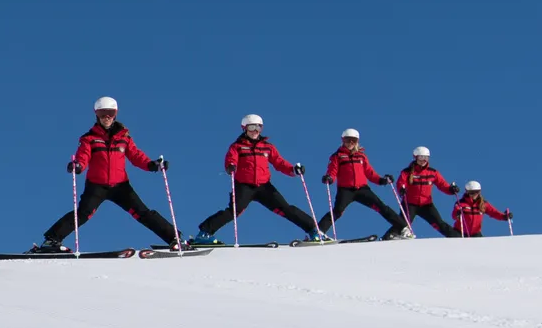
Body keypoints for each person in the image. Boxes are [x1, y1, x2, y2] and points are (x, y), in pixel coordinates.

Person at [29, 96, 181, 253]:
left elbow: (136, 156)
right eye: (102, 114)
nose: (106, 117)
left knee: (142, 213)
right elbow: (83, 156)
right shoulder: (89, 138)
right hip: (96, 186)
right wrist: (78, 166)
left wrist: (152, 165)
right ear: (97, 115)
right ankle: (51, 240)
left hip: (121, 186)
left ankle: (174, 238)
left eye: (109, 113)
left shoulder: (124, 138)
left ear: (115, 114)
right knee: (82, 214)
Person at [191, 114, 320, 243]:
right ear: (245, 128)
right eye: (252, 127)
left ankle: (314, 230)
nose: (255, 131)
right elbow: (231, 159)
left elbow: (279, 162)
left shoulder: (268, 147)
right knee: (234, 211)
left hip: (264, 186)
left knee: (285, 208)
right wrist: (231, 166)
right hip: (244, 185)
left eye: (259, 127)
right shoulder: (237, 146)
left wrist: (293, 170)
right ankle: (204, 233)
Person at [317, 128, 407, 239]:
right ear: (343, 140)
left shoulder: (361, 156)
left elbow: (370, 173)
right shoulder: (338, 156)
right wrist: (329, 178)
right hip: (346, 190)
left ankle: (403, 228)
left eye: (353, 141)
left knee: (381, 207)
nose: (350, 143)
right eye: (348, 140)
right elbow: (333, 170)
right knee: (337, 211)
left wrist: (382, 180)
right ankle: (319, 232)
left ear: (357, 142)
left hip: (362, 189)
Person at [396, 147, 461, 236]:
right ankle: (390, 236)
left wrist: (451, 190)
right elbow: (401, 183)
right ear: (415, 157)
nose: (423, 160)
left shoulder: (433, 172)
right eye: (421, 157)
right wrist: (401, 190)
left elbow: (442, 185)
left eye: (426, 157)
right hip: (410, 203)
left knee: (439, 223)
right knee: (403, 224)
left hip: (426, 205)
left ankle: (457, 237)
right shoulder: (407, 172)